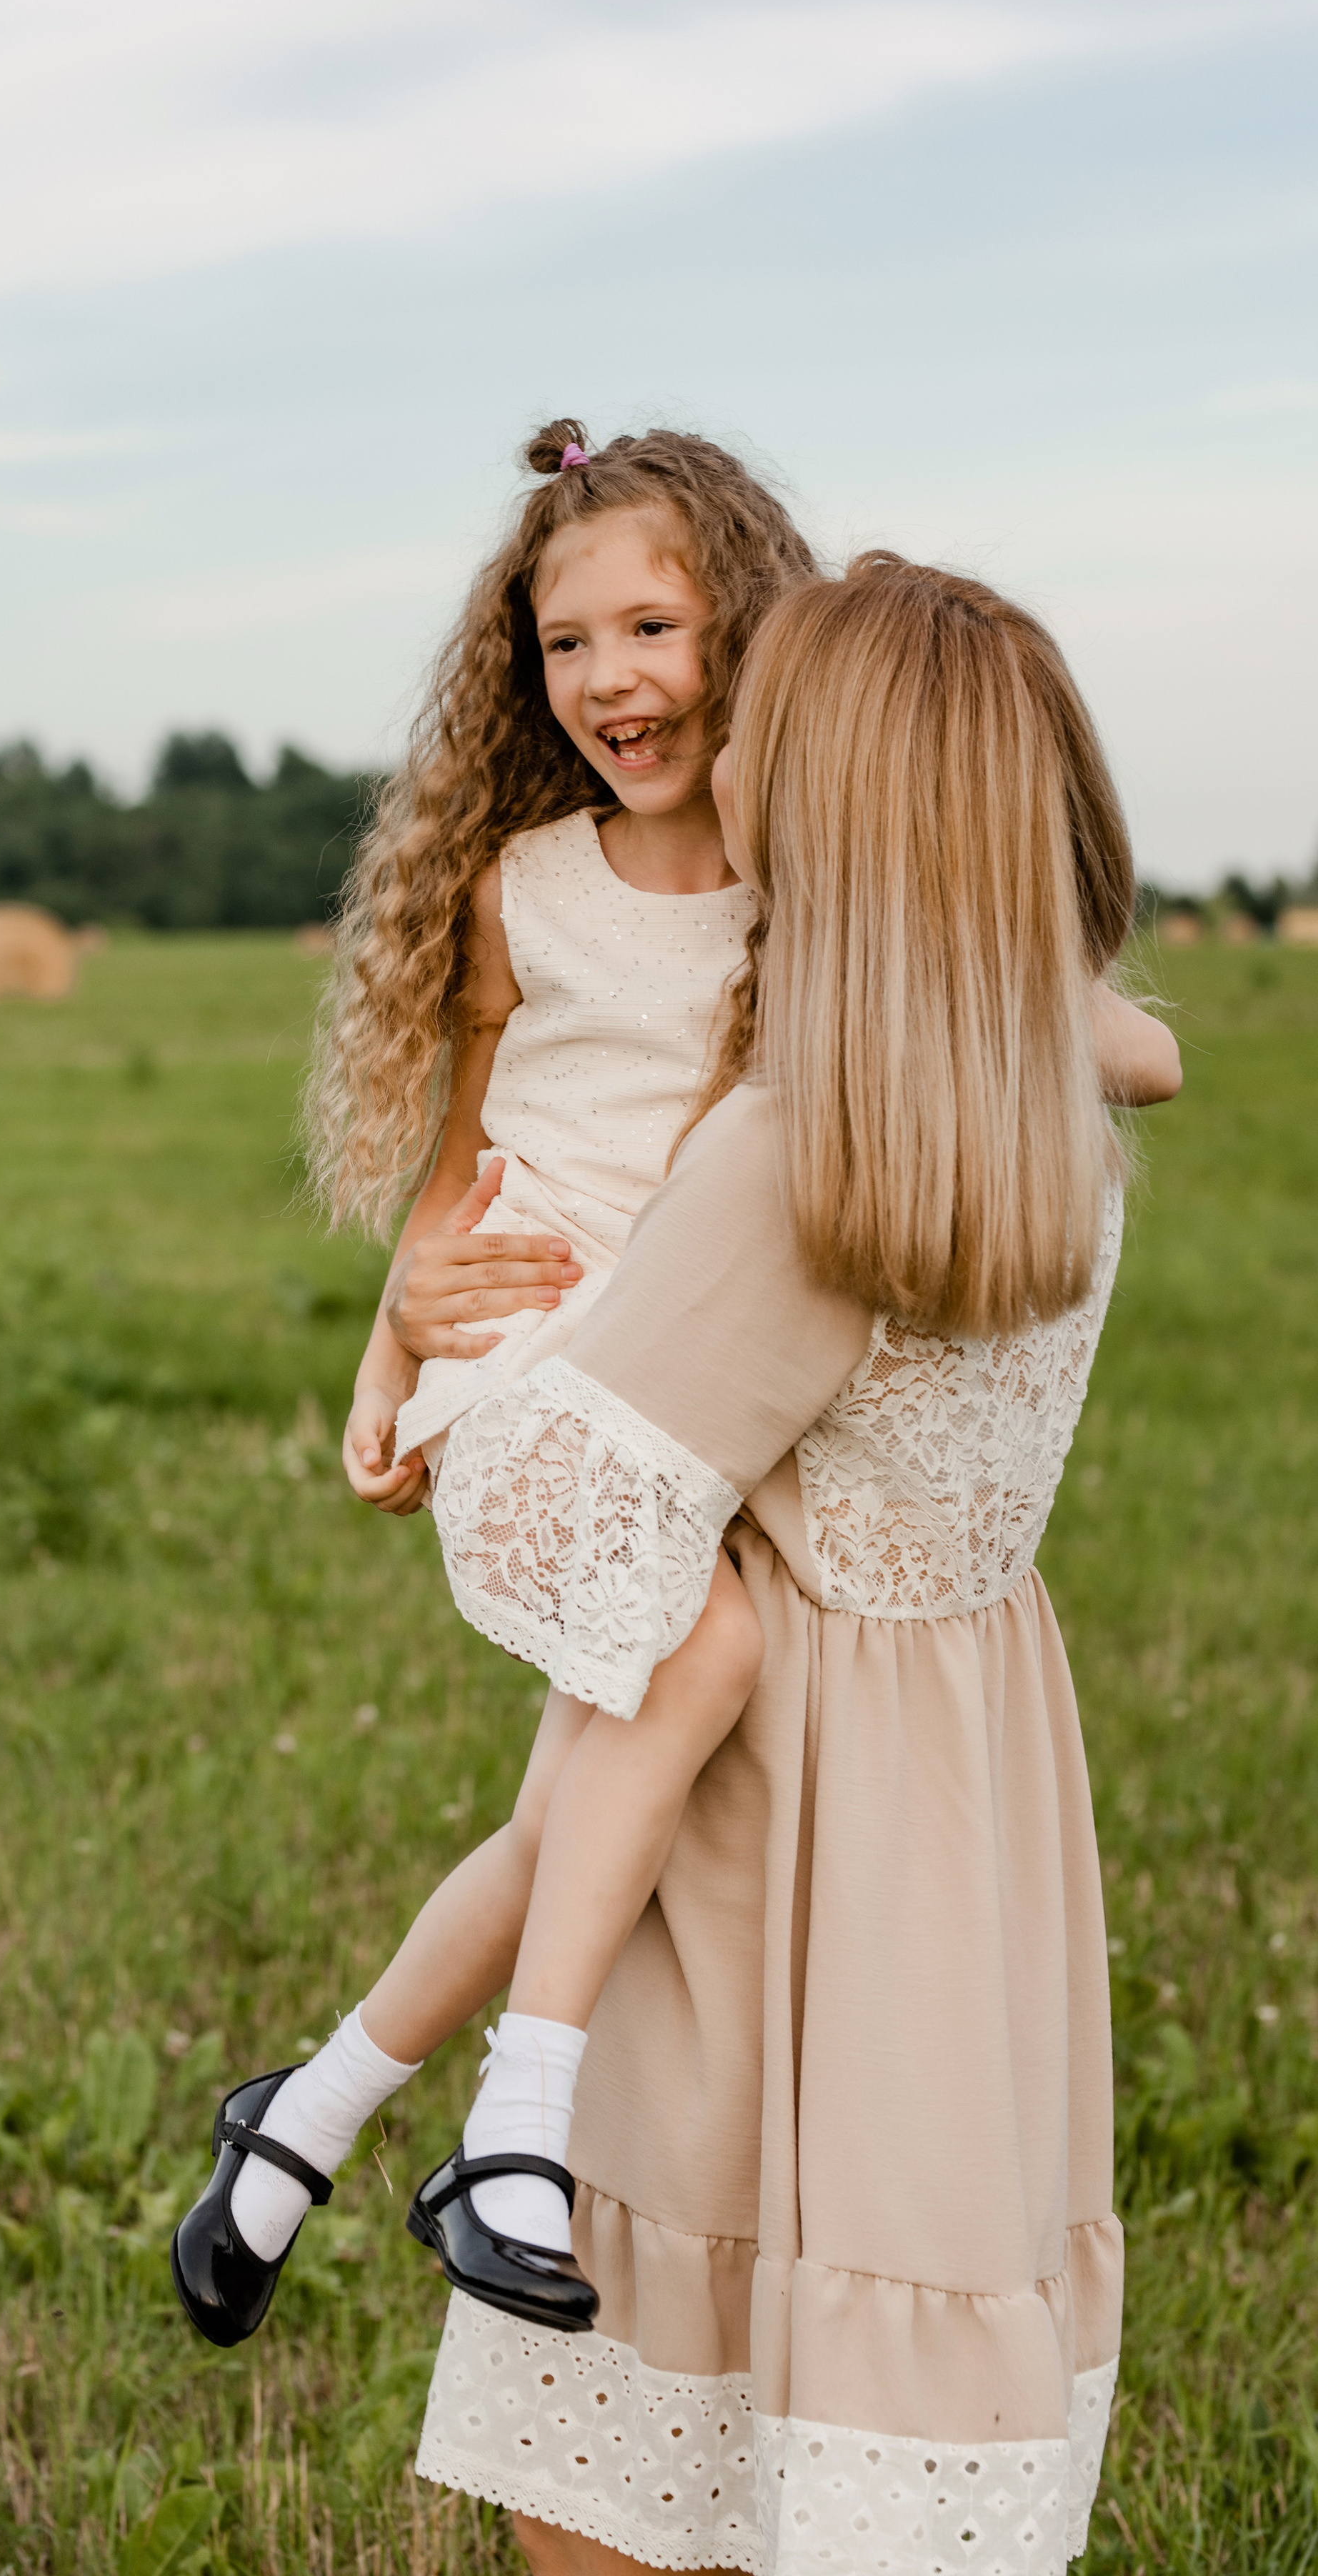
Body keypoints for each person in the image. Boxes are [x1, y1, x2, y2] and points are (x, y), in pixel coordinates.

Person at [169, 431, 1176, 2362]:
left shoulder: (820, 898)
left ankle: (304, 2120)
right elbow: (462, 1179)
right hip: (551, 1361)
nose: (612, 673)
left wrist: (973, 988)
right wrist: (392, 1348)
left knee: (570, 1804)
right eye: (567, 642)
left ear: (755, 638)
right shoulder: (531, 889)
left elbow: (1134, 1053)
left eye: (655, 623)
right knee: (695, 1667)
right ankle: (519, 2129)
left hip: (679, 1377)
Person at [411, 552, 1144, 2575]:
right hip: (965, 1820)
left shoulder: (790, 1147)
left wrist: (436, 1348)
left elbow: (576, 1511)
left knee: (633, 2484)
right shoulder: (1052, 1125)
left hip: (753, 1849)